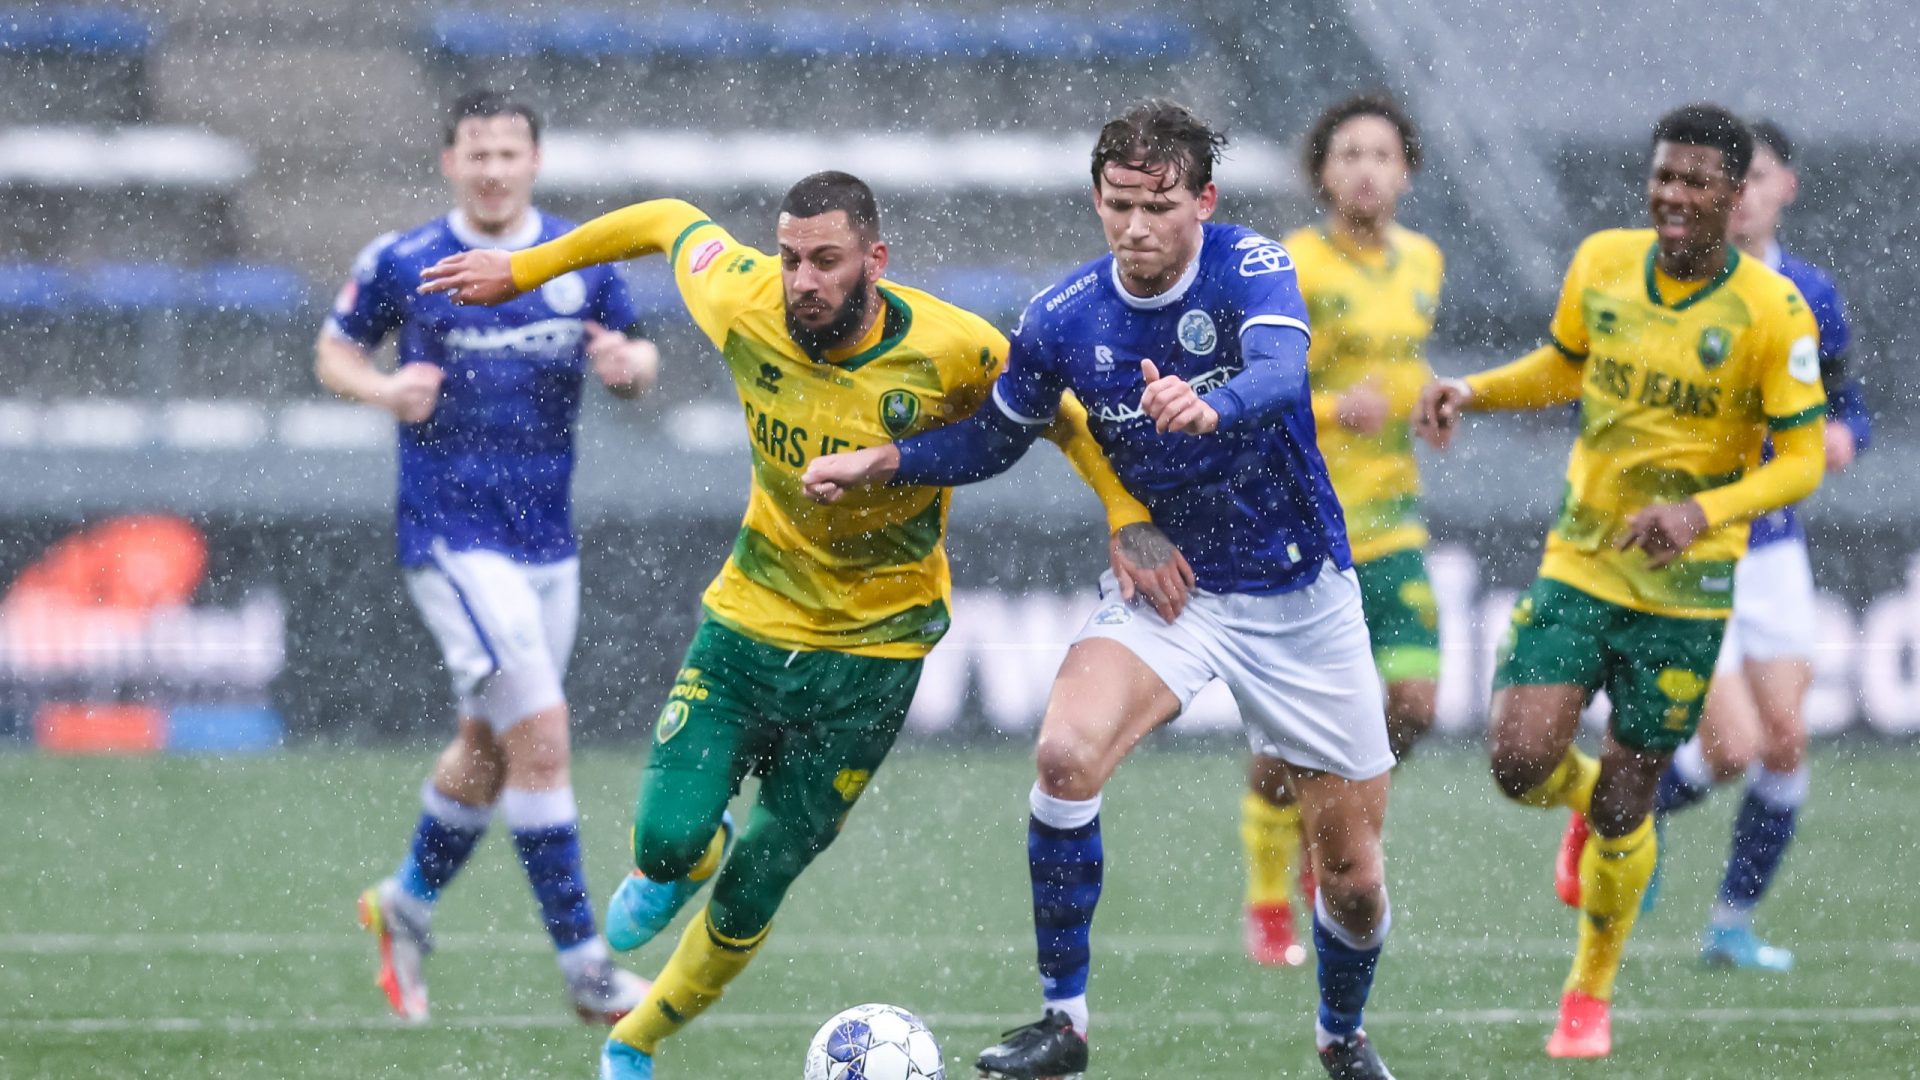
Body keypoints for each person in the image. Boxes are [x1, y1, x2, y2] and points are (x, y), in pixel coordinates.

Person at [417, 171, 1181, 1080]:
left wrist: (1125, 511)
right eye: (790, 259)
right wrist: (526, 268)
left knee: (761, 879)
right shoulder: (744, 299)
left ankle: (635, 1039)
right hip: (747, 623)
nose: (802, 280)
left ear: (874, 261)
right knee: (664, 844)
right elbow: (667, 220)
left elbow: (1061, 416)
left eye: (826, 261)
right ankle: (688, 860)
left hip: (875, 655)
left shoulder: (956, 349)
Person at [803, 100, 1400, 1080]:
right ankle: (1064, 1025)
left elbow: (1284, 373)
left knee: (1354, 881)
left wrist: (1211, 403)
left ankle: (1341, 1038)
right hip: (1177, 590)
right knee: (1065, 756)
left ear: (1202, 200)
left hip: (1301, 598)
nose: (1135, 226)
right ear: (1096, 198)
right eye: (1117, 204)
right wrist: (885, 462)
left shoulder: (1252, 266)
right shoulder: (1064, 316)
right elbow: (999, 435)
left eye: (1159, 205)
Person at [1413, 103, 1825, 1060]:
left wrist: (1704, 513)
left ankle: (1586, 1000)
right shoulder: (1602, 262)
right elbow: (1565, 364)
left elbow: (1800, 460)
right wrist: (1476, 388)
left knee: (1633, 801)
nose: (1672, 195)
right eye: (1662, 176)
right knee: (1517, 761)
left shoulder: (1774, 310)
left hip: (1686, 590)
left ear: (1734, 193)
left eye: (1694, 181)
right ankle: (1586, 802)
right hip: (1584, 559)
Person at [316, 90, 661, 1023]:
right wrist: (387, 393)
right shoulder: (405, 259)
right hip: (451, 536)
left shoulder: (576, 258)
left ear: (534, 162)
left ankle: (406, 906)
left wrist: (633, 370)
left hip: (547, 539)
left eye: (510, 152)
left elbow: (637, 352)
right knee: (541, 736)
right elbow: (333, 352)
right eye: (479, 153)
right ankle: (588, 970)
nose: (495, 168)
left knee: (491, 745)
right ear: (451, 162)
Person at [1648, 118, 1872, 970]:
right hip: (1692, 543)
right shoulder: (1671, 282)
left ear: (1786, 189)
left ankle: (1730, 925)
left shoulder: (1810, 292)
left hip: (1774, 547)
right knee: (1732, 744)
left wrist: (1848, 435)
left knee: (1783, 744)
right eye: (1724, 179)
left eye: (1758, 176)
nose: (1741, 194)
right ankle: (1623, 813)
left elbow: (1849, 403)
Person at [1239, 93, 1444, 968]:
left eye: (1383, 154)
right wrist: (1331, 409)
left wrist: (1429, 397)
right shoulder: (1293, 263)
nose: (1366, 168)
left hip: (1393, 520)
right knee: (1289, 738)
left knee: (1413, 704)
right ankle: (1269, 899)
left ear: (1407, 170)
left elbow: (1398, 365)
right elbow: (1257, 389)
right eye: (1349, 152)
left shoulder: (1425, 261)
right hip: (1307, 528)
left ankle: (1336, 848)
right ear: (1322, 170)